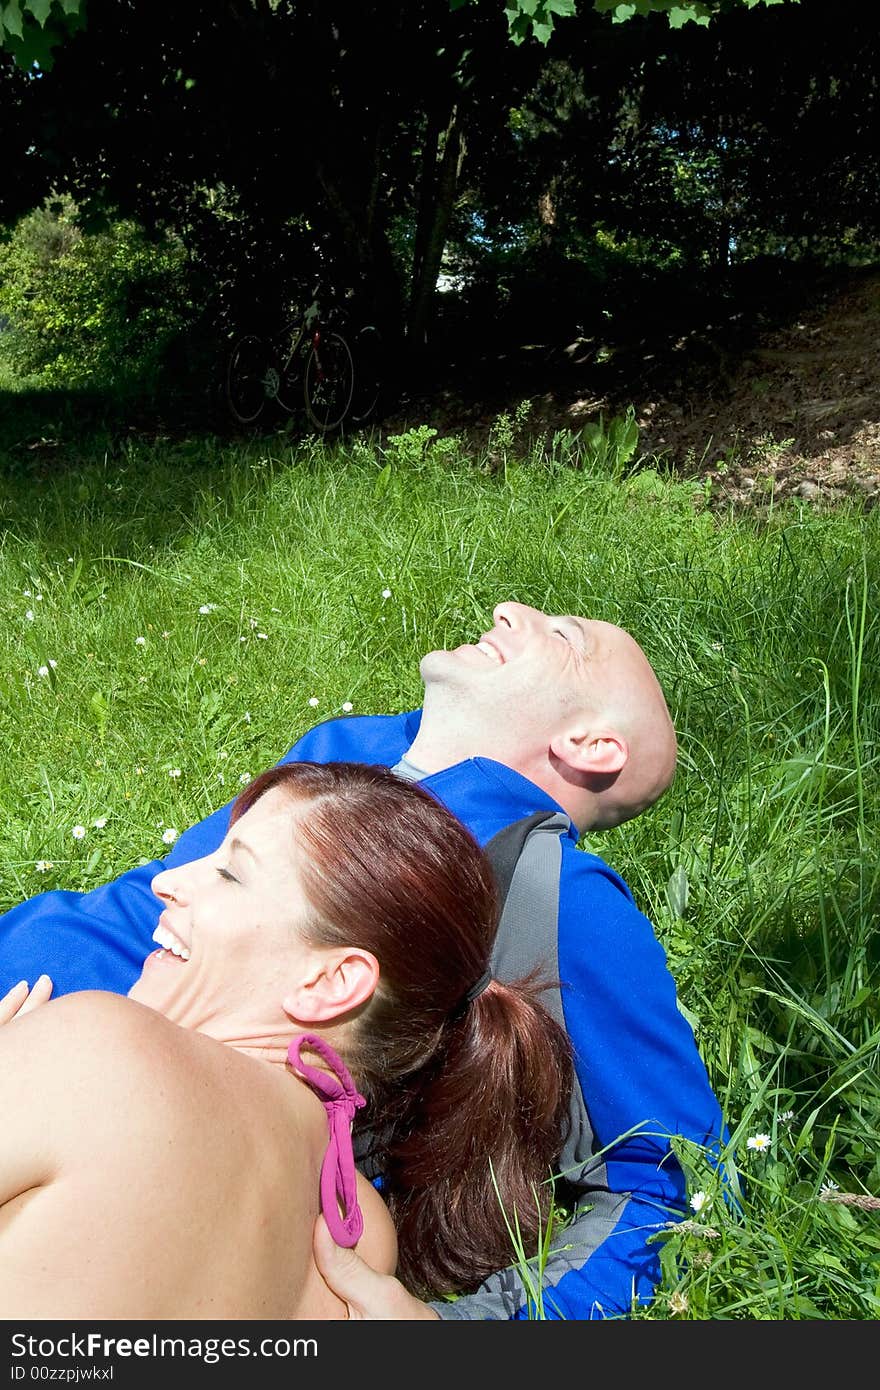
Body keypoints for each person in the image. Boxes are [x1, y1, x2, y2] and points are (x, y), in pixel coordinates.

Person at [0, 600, 728, 1320]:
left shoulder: (562, 897)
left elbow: (680, 1182)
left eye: (566, 637)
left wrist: (466, 1329)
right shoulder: (348, 748)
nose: (512, 610)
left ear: (591, 744)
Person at [0, 760, 573, 1319]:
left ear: (328, 982)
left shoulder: (100, 1054)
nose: (166, 882)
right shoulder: (362, 1239)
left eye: (230, 873)